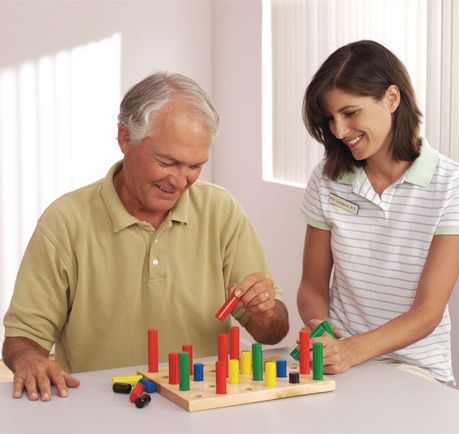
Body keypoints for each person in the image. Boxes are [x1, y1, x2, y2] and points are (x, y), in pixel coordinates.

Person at [2, 72, 289, 401]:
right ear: (126, 139)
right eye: (167, 162)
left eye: (195, 166)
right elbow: (22, 338)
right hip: (101, 408)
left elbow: (272, 331)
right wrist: (29, 359)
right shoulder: (65, 221)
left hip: (201, 404)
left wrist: (266, 311)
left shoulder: (221, 210)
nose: (180, 181)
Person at [297, 40, 459, 384]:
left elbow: (427, 313)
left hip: (420, 375)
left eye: (350, 113)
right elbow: (312, 286)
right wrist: (321, 328)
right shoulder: (327, 178)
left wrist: (352, 351)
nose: (339, 131)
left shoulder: (455, 185)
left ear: (391, 98)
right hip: (344, 370)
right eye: (331, 119)